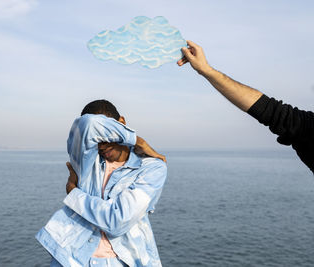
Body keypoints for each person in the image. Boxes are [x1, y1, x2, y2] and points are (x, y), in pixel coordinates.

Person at [36, 100, 167, 267]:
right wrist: (137, 141)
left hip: (123, 261)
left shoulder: (152, 168)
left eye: (107, 135)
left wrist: (74, 194)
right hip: (73, 260)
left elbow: (117, 221)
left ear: (121, 123)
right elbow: (88, 124)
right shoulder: (88, 161)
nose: (101, 145)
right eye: (97, 138)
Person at [178, 40, 314, 174]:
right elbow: (270, 110)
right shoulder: (307, 126)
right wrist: (205, 70)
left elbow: (272, 112)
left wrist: (206, 70)